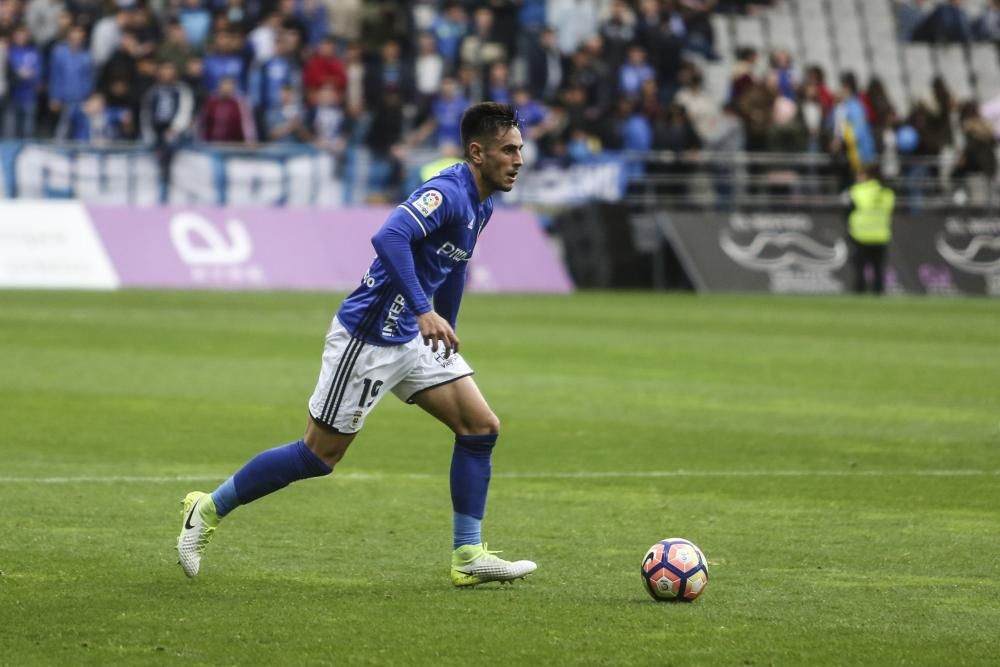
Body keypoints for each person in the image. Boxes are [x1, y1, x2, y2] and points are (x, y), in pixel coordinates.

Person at [176, 102, 537, 587]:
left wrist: (444, 324)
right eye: (509, 150)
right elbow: (389, 236)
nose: (519, 159)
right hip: (367, 338)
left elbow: (455, 263)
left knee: (479, 428)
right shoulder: (447, 192)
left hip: (412, 338)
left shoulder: (483, 202)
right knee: (317, 457)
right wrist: (422, 308)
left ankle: (468, 555)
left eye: (519, 149)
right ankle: (207, 509)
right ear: (477, 152)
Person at [846, 163, 896, 295]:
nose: (857, 177)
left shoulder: (858, 190)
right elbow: (890, 211)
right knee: (878, 268)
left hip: (860, 235)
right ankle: (878, 294)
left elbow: (848, 211)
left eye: (859, 174)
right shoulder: (888, 192)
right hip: (881, 236)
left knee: (860, 268)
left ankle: (859, 293)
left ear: (866, 175)